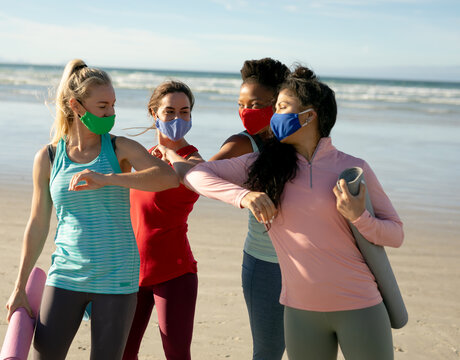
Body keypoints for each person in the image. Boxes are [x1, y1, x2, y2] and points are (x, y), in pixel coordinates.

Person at [184, 66, 404, 360]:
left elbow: (396, 234)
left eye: (282, 108)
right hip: (300, 312)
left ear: (309, 116)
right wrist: (244, 195)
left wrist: (358, 216)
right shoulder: (262, 167)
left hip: (359, 304)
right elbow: (197, 175)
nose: (275, 116)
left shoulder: (352, 167)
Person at [5, 59, 179, 360]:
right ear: (76, 105)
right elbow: (37, 222)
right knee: (44, 355)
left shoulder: (120, 148)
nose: (111, 113)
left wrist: (108, 178)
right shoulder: (48, 157)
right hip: (66, 273)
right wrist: (19, 286)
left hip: (117, 275)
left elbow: (167, 178)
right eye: (103, 106)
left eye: (113, 105)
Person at [209, 57, 290, 359]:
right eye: (241, 105)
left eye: (256, 105)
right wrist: (243, 196)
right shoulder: (243, 144)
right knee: (269, 352)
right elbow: (201, 175)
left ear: (278, 102)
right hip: (266, 263)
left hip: (310, 261)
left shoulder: (299, 142)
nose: (246, 112)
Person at [122, 81, 203, 360]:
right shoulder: (140, 157)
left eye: (185, 112)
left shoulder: (194, 159)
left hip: (175, 273)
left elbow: (185, 176)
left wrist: (169, 153)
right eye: (169, 112)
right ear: (153, 113)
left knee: (177, 355)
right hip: (133, 273)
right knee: (123, 353)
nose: (178, 119)